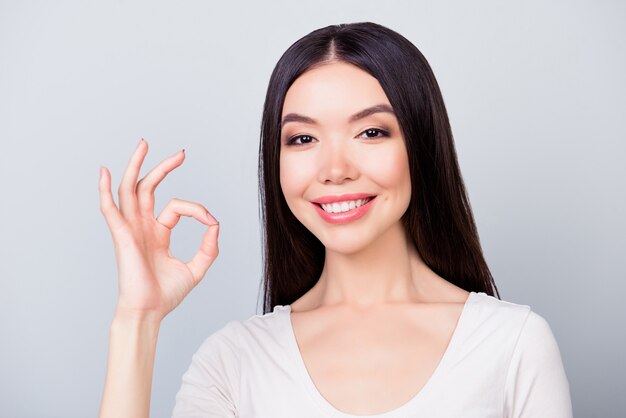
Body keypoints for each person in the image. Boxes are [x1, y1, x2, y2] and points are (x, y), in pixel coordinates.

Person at [97, 22, 573, 418]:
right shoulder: (235, 362)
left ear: (421, 146)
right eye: (302, 139)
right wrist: (137, 320)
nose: (335, 169)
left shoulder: (512, 346)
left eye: (371, 131)